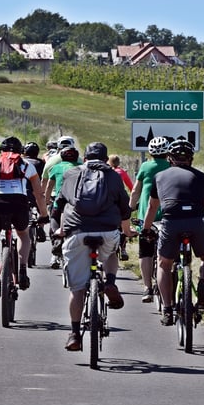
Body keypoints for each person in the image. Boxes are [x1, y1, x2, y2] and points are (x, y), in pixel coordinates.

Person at [53, 142, 135, 351]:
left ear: (86, 157)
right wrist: (126, 231)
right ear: (106, 158)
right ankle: (109, 281)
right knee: (110, 253)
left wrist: (59, 229)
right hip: (107, 231)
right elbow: (124, 209)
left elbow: (59, 205)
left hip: (77, 232)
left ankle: (74, 333)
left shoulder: (72, 174)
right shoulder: (113, 176)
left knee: (77, 289)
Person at [141, 140, 204, 326]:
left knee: (163, 265)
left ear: (170, 158)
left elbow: (152, 207)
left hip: (171, 223)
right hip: (197, 222)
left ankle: (168, 309)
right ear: (191, 158)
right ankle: (202, 283)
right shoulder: (202, 177)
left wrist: (146, 230)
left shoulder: (160, 177)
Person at [0, 136, 49, 300]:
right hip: (18, 204)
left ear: (1, 151)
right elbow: (39, 195)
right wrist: (43, 215)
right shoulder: (27, 166)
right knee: (23, 235)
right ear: (21, 152)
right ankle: (22, 269)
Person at [130, 136, 171, 302]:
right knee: (168, 253)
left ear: (150, 152)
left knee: (145, 252)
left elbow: (135, 191)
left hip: (147, 217)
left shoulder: (146, 166)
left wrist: (130, 208)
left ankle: (147, 287)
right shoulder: (171, 166)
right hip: (168, 216)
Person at [44, 146, 81, 268]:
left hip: (60, 201)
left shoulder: (56, 167)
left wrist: (46, 200)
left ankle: (56, 244)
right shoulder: (80, 168)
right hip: (75, 203)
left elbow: (49, 186)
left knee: (54, 221)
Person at [108, 154, 134, 261]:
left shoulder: (107, 172)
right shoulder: (122, 172)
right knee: (124, 224)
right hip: (121, 200)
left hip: (110, 201)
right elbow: (131, 187)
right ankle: (123, 249)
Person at [22, 142, 46, 242]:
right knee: (42, 209)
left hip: (21, 193)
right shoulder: (41, 163)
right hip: (35, 193)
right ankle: (40, 227)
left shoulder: (21, 162)